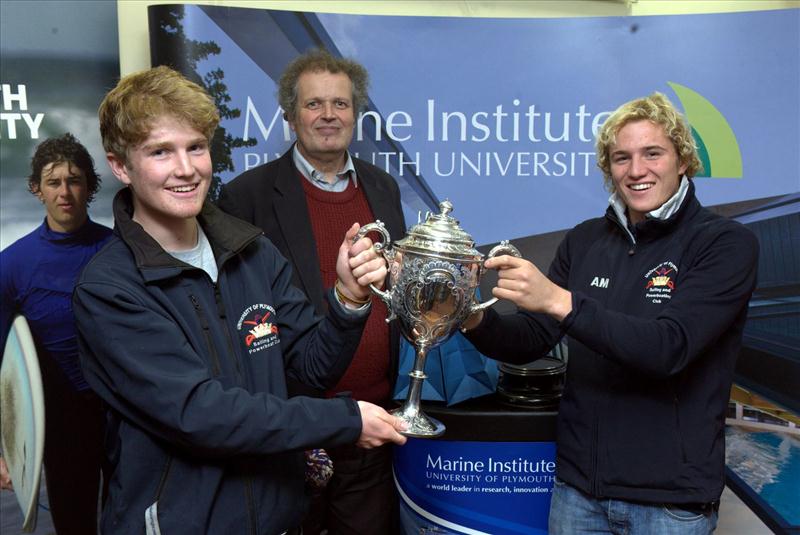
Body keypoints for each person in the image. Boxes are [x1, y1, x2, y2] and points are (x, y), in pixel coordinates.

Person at [72, 65, 406, 535]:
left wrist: (348, 300)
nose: (185, 169)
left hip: (279, 519)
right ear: (121, 166)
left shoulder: (251, 250)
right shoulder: (109, 288)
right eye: (161, 152)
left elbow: (308, 368)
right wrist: (343, 419)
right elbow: (200, 414)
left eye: (196, 147)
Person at [460, 92, 758, 534]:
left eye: (652, 153)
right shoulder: (584, 240)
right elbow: (528, 341)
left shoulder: (724, 244)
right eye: (622, 158)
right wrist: (468, 316)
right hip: (578, 493)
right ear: (609, 170)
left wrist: (560, 300)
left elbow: (667, 348)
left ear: (683, 160)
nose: (636, 170)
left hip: (669, 504)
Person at [218, 49, 405, 535]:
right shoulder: (245, 197)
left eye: (340, 104)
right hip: (290, 432)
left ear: (356, 114)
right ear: (289, 114)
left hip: (372, 427)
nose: (328, 116)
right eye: (314, 104)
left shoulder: (383, 187)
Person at [1, 133, 112, 534]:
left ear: (89, 187)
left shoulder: (121, 251)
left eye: (75, 180)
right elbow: (3, 362)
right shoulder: (12, 265)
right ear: (37, 189)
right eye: (53, 182)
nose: (65, 192)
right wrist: (5, 449)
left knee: (132, 517)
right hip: (62, 421)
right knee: (74, 523)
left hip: (124, 412)